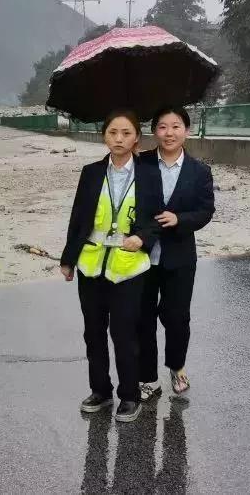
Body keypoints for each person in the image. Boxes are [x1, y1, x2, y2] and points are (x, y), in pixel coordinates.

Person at [59, 109, 162, 423]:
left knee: (124, 333)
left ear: (136, 138)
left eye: (126, 133)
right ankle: (100, 390)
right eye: (113, 132)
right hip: (91, 266)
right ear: (104, 135)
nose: (119, 139)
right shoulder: (90, 172)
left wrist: (142, 238)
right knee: (93, 333)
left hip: (128, 268)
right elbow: (78, 218)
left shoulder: (149, 172)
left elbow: (157, 220)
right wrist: (68, 258)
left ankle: (129, 396)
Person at [137, 106, 215, 400]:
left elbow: (206, 211)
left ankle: (177, 366)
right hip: (142, 255)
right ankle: (148, 377)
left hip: (180, 256)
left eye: (175, 126)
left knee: (177, 316)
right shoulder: (141, 163)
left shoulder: (199, 171)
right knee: (142, 318)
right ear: (153, 131)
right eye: (162, 127)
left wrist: (180, 219)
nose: (169, 133)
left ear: (187, 130)